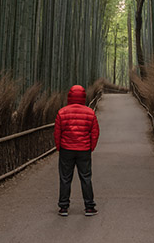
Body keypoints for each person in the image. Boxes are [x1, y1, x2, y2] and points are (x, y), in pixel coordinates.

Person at [54, 84, 99, 217]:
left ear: (69, 96)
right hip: (84, 150)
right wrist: (91, 147)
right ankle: (89, 207)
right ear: (83, 97)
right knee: (86, 178)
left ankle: (63, 207)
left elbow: (57, 132)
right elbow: (95, 132)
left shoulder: (62, 112)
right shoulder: (90, 112)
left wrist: (59, 147)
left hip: (66, 149)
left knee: (65, 178)